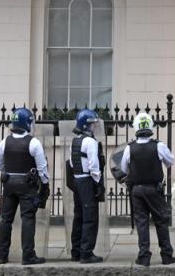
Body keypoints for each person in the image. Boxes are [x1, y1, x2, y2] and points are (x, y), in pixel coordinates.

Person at [0, 107, 50, 265]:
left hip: (9, 184)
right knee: (27, 219)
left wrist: (11, 172)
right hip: (27, 185)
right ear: (27, 123)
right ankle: (28, 255)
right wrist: (45, 185)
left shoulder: (5, 141)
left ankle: (2, 255)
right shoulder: (33, 142)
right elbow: (42, 168)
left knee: (6, 219)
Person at [120, 112, 175, 267]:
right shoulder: (159, 145)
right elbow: (170, 161)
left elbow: (124, 169)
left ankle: (144, 257)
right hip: (154, 190)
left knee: (142, 223)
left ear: (135, 127)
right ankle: (166, 255)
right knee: (161, 221)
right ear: (151, 125)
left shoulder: (129, 148)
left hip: (137, 190)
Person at [68, 109, 104, 264]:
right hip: (87, 181)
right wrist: (98, 182)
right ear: (85, 125)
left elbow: (71, 163)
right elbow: (94, 165)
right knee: (90, 218)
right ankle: (86, 253)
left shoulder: (75, 140)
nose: (94, 127)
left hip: (77, 181)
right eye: (92, 124)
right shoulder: (90, 142)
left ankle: (76, 251)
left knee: (79, 217)